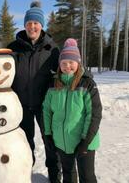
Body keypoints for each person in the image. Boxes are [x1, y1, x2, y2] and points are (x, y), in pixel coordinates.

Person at [7, 0, 61, 182]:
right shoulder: (13, 48)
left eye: (36, 23)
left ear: (41, 25)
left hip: (45, 105)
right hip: (21, 105)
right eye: (29, 23)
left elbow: (64, 73)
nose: (32, 27)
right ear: (24, 25)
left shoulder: (52, 49)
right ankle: (24, 172)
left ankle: (54, 173)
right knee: (24, 143)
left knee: (50, 141)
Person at [42, 38, 102, 183]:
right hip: (62, 141)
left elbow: (94, 114)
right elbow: (47, 111)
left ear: (78, 63)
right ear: (59, 64)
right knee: (68, 174)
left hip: (84, 141)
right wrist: (48, 135)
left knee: (87, 177)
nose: (67, 66)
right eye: (63, 62)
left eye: (71, 62)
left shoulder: (87, 83)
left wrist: (85, 141)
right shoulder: (53, 84)